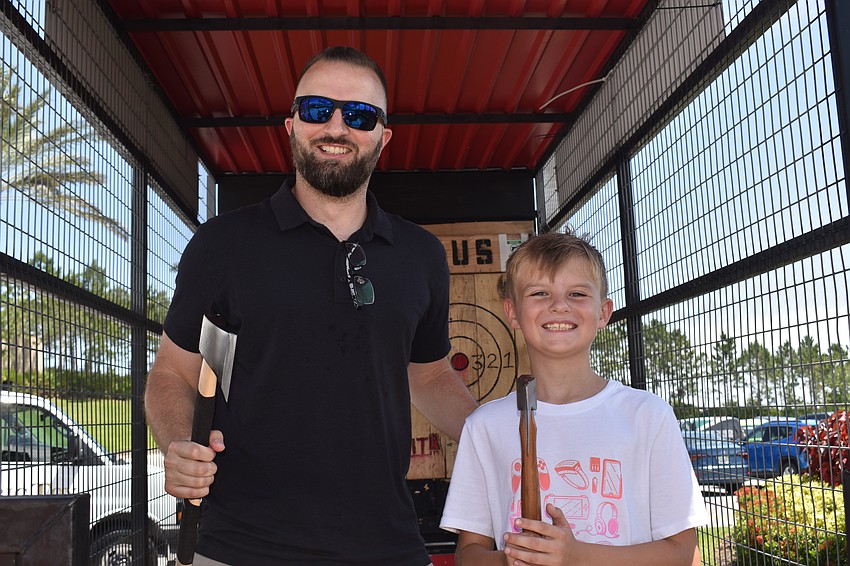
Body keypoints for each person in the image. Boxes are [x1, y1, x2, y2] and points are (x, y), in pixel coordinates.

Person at [145, 46, 478, 565]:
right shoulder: (223, 246)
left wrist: (505, 442)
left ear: (383, 137)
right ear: (291, 124)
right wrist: (175, 446)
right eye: (318, 110)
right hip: (240, 547)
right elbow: (173, 373)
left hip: (386, 546)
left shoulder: (421, 256)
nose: (337, 127)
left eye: (360, 114)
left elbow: (430, 377)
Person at [439, 230, 708, 565]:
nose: (559, 306)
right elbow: (468, 555)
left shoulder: (648, 415)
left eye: (578, 293)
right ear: (512, 312)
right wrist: (511, 560)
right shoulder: (484, 427)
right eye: (539, 293)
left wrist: (576, 556)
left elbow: (681, 553)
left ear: (603, 312)